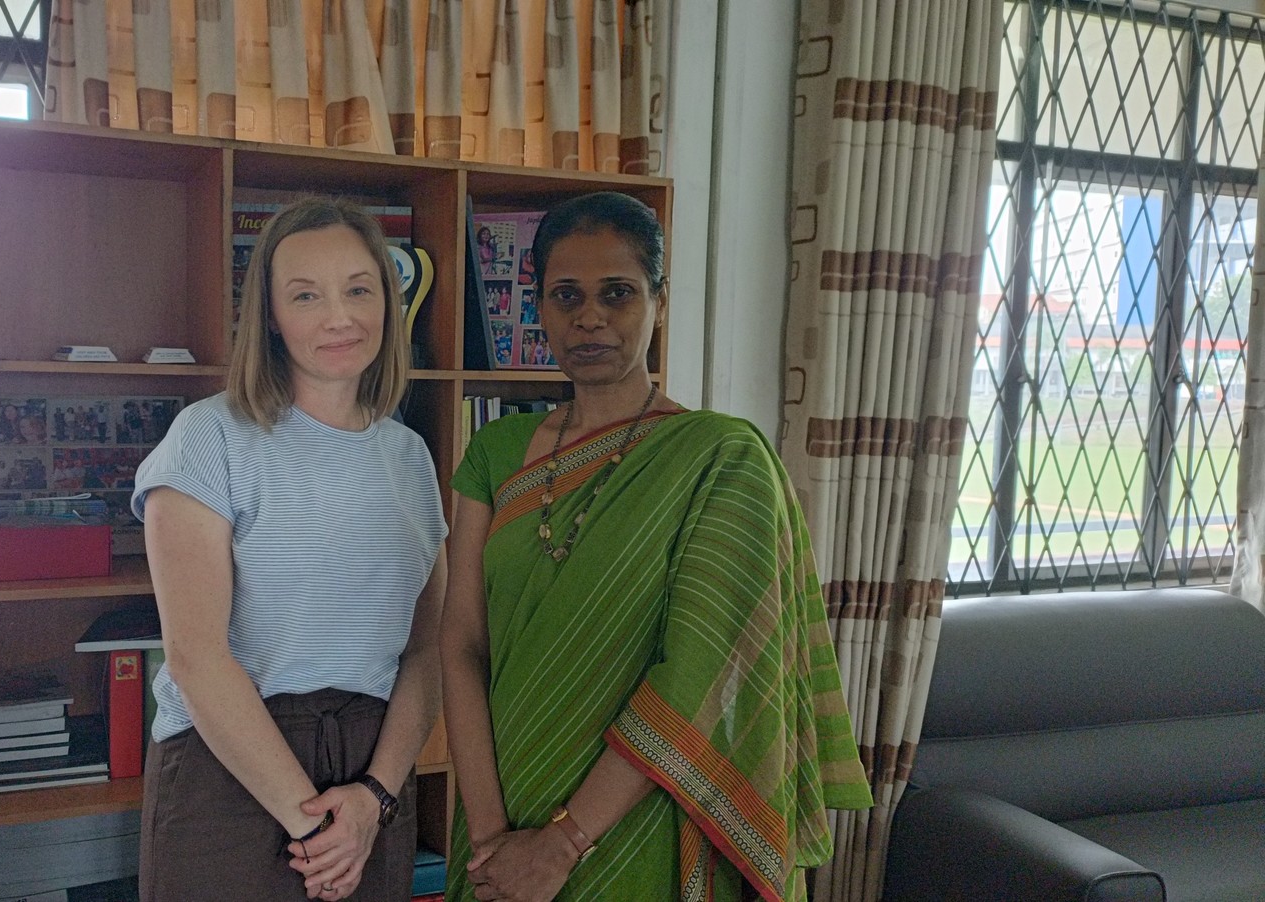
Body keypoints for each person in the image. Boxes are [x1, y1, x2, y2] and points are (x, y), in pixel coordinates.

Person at [440, 192, 872, 902]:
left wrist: (563, 843)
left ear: (659, 302)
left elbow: (703, 672)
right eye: (566, 295)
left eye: (618, 293)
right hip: (504, 803)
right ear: (540, 306)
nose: (590, 317)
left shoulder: (720, 459)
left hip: (644, 820)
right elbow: (462, 642)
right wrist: (491, 839)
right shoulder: (495, 451)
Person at [133, 197, 447, 902]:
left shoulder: (410, 457)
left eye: (359, 290)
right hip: (230, 771)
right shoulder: (208, 437)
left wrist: (373, 798)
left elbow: (426, 652)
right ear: (270, 316)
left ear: (389, 304)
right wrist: (316, 827)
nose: (339, 317)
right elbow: (196, 658)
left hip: (373, 778)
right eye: (306, 295)